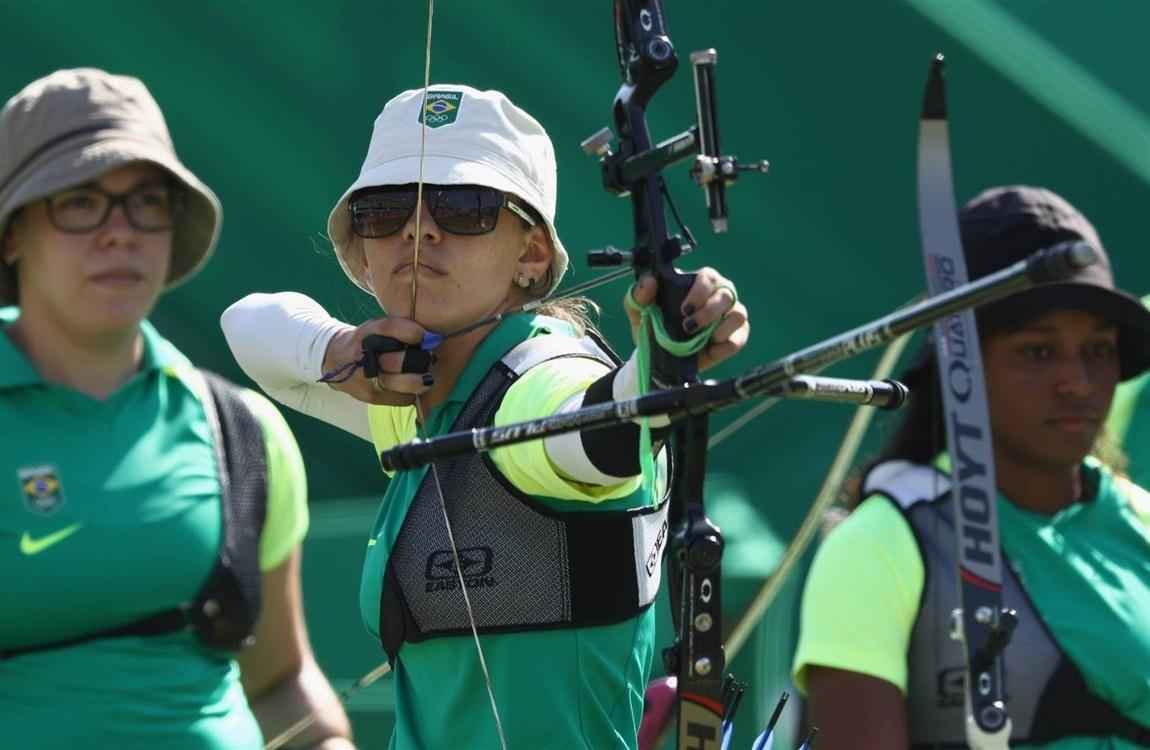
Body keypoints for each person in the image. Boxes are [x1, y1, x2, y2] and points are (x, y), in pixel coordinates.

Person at [221, 84, 750, 749]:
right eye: (385, 211)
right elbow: (245, 326)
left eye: (464, 207)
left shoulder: (534, 383)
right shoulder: (416, 397)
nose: (418, 228)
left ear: (530, 255)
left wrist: (666, 358)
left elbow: (598, 427)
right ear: (361, 248)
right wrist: (340, 350)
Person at [0, 69, 354, 749]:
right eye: (80, 201)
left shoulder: (240, 431)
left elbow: (279, 682)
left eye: (146, 202)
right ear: (14, 234)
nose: (120, 233)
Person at [791, 185, 1150, 749]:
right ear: (961, 367)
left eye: (1099, 351)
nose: (1078, 382)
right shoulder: (880, 546)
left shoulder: (1140, 520)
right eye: (1037, 351)